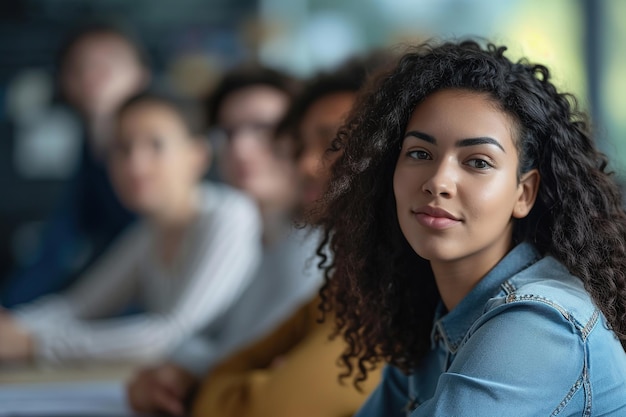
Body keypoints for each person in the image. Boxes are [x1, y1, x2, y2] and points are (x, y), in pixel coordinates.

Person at [314, 40, 626, 416]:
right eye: (419, 154)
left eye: (477, 162)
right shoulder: (436, 315)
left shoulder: (539, 324)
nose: (438, 181)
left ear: (523, 193)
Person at [188, 57, 392, 417]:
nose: (304, 164)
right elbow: (223, 350)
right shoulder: (343, 283)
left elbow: (251, 407)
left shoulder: (377, 286)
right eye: (227, 132)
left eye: (334, 141)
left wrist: (233, 381)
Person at [0, 92, 262, 364]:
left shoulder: (230, 214)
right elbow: (77, 307)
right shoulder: (148, 233)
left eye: (156, 145)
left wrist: (36, 344)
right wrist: (13, 324)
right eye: (122, 149)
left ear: (198, 155)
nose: (135, 165)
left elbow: (172, 337)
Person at [127, 66, 323, 416]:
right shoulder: (254, 236)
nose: (240, 148)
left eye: (264, 129)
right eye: (228, 132)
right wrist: (173, 370)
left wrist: (182, 371)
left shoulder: (317, 245)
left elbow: (245, 354)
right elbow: (207, 336)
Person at [1, 22, 150, 306]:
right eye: (80, 66)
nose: (93, 75)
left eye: (110, 63)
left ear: (141, 75)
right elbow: (58, 244)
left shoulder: (164, 151)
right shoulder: (90, 153)